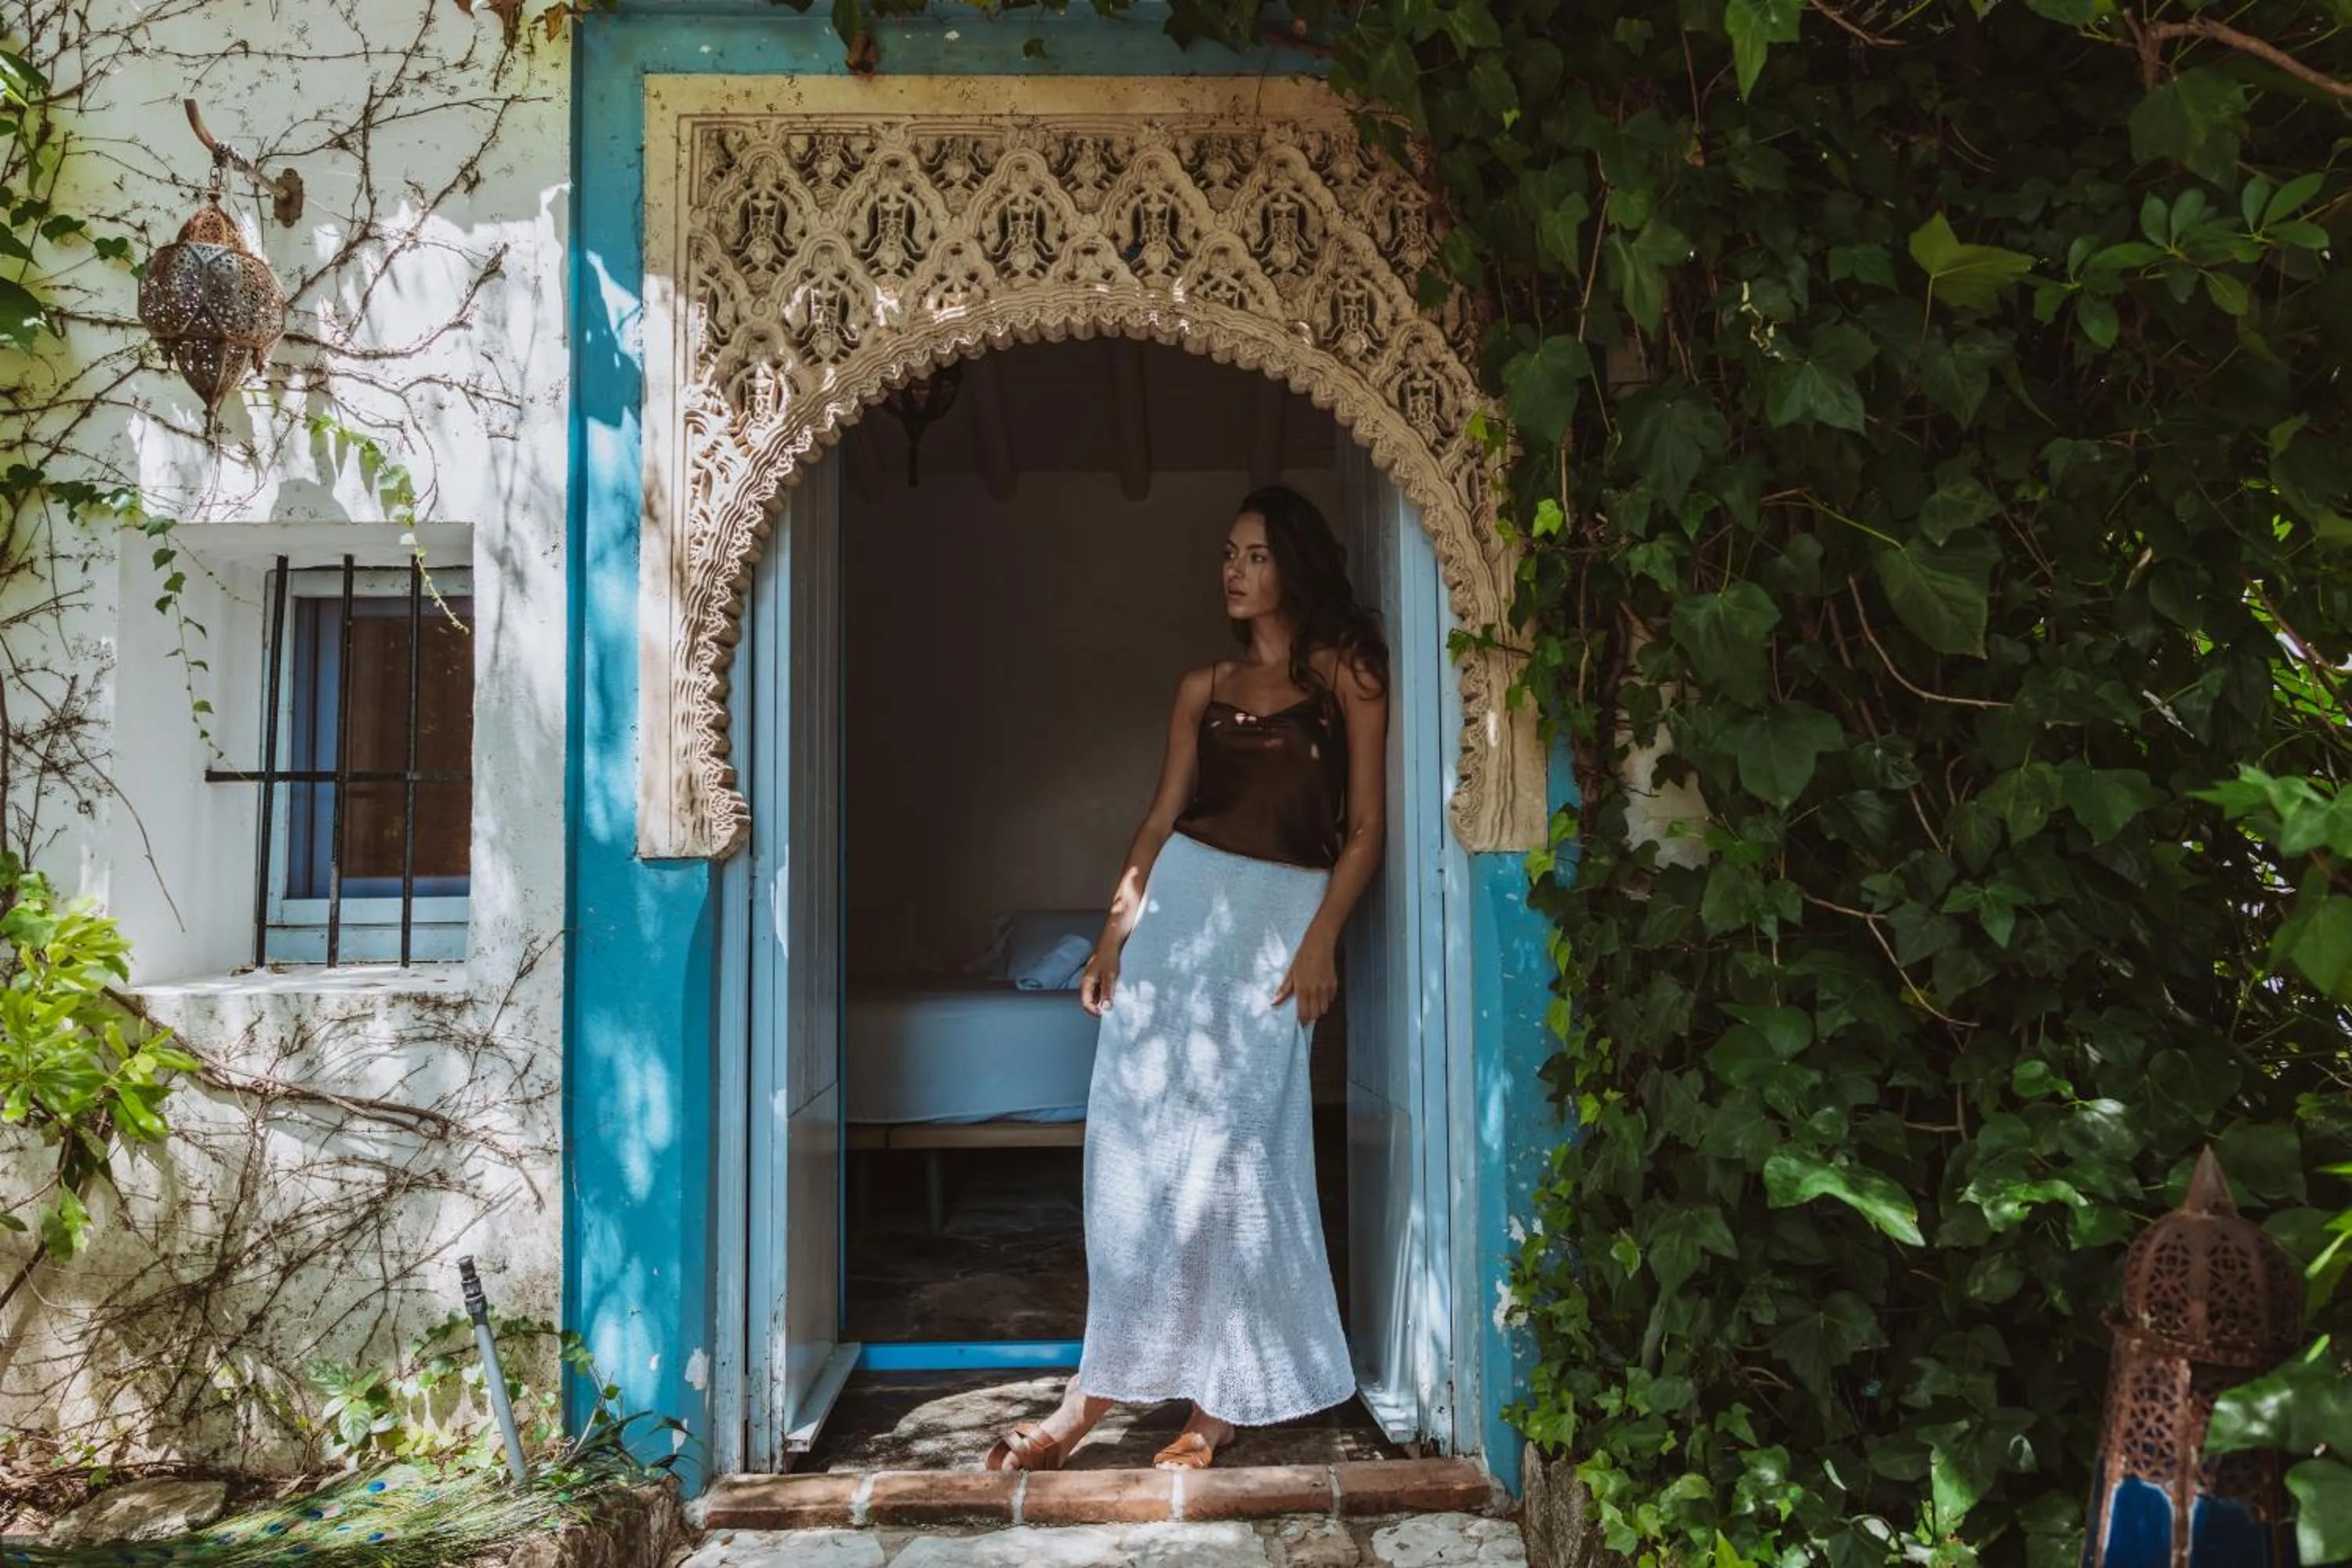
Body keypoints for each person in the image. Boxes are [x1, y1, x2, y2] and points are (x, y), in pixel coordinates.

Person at [984, 483, 1390, 1474]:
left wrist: (1324, 937)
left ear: (1292, 562)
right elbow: (1161, 823)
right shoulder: (1200, 689)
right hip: (1178, 930)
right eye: (1226, 554)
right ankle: (1095, 1390)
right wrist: (1114, 936)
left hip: (1277, 933)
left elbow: (1368, 827)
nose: (1233, 571)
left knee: (1245, 1158)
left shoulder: (1350, 677)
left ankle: (1220, 1403)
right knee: (1137, 1155)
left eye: (1252, 554)